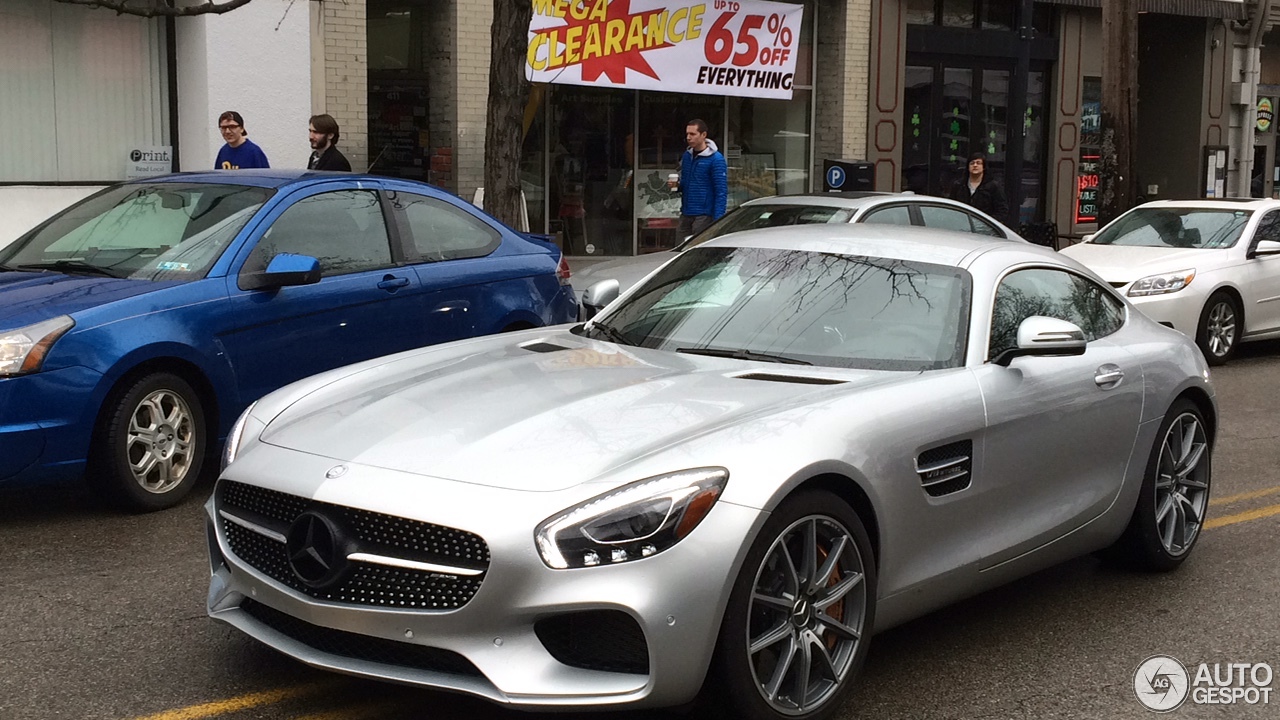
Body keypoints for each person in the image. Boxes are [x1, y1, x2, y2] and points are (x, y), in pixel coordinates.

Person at [669, 118, 728, 238]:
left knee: (698, 251)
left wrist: (718, 221)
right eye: (687, 134)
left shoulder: (716, 159)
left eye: (693, 134)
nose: (689, 137)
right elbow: (686, 182)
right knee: (679, 249)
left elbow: (721, 191)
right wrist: (677, 186)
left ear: (703, 135)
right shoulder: (687, 156)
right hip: (686, 212)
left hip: (704, 214)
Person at [949, 151, 1008, 221]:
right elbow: (951, 207)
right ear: (968, 167)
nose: (975, 165)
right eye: (972, 163)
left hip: (984, 227)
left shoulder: (993, 186)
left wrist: (987, 222)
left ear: (984, 167)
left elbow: (1002, 211)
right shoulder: (958, 185)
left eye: (978, 163)